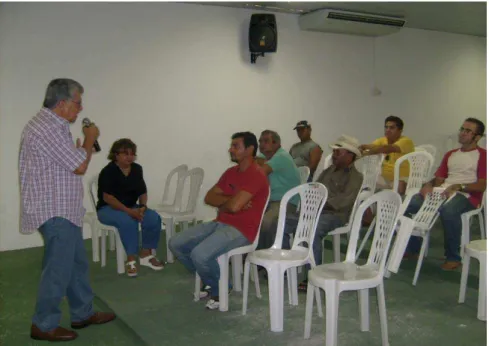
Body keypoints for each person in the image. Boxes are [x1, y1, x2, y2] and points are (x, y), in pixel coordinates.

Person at [19, 79, 115, 342]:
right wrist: (91, 138)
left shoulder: (53, 125)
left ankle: (82, 313)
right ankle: (43, 324)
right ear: (62, 103)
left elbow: (72, 162)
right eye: (78, 102)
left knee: (75, 265)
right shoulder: (48, 127)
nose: (80, 108)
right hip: (54, 210)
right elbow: (79, 167)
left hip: (64, 208)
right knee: (58, 269)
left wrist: (83, 148)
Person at [168, 132, 269, 310]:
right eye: (231, 145)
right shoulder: (230, 173)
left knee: (199, 254)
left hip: (243, 230)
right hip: (220, 222)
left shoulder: (257, 175)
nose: (230, 149)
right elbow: (209, 198)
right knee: (176, 243)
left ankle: (219, 288)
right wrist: (228, 202)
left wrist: (228, 202)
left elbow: (235, 207)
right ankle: (212, 279)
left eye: (235, 146)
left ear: (250, 149)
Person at [403, 118, 486, 270]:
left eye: (468, 131)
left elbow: (482, 184)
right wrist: (428, 185)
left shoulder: (483, 155)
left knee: (449, 211)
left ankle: (453, 257)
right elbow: (439, 179)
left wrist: (460, 186)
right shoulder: (451, 154)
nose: (462, 133)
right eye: (462, 129)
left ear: (477, 137)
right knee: (410, 204)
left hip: (468, 195)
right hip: (444, 191)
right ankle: (413, 248)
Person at [283, 135, 363, 291]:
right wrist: (312, 202)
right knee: (283, 222)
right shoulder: (327, 171)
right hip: (315, 210)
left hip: (335, 215)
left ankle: (314, 275)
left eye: (338, 152)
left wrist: (320, 201)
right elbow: (315, 188)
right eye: (334, 152)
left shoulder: (356, 177)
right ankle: (287, 266)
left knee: (313, 229)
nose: (334, 155)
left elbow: (343, 203)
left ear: (350, 155)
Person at [96, 138, 164, 277]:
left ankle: (145, 254)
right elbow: (108, 198)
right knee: (127, 221)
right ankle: (131, 258)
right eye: (125, 154)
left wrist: (143, 207)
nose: (130, 157)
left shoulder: (137, 169)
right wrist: (129, 212)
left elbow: (142, 192)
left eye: (132, 154)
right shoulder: (108, 171)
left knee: (153, 218)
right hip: (108, 209)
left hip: (132, 206)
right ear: (116, 155)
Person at [256, 130, 301, 250]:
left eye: (266, 141)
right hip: (270, 201)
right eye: (260, 141)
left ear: (277, 144)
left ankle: (266, 258)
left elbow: (259, 173)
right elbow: (255, 162)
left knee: (267, 223)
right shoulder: (265, 156)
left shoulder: (281, 156)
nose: (261, 145)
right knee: (248, 217)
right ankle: (252, 254)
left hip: (286, 202)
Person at [359, 115, 414, 194]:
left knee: (398, 190)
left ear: (400, 130)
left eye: (392, 128)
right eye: (386, 127)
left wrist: (366, 153)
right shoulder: (383, 139)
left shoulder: (406, 141)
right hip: (385, 177)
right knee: (365, 184)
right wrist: (361, 148)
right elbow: (369, 147)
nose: (388, 130)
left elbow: (386, 148)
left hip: (402, 178)